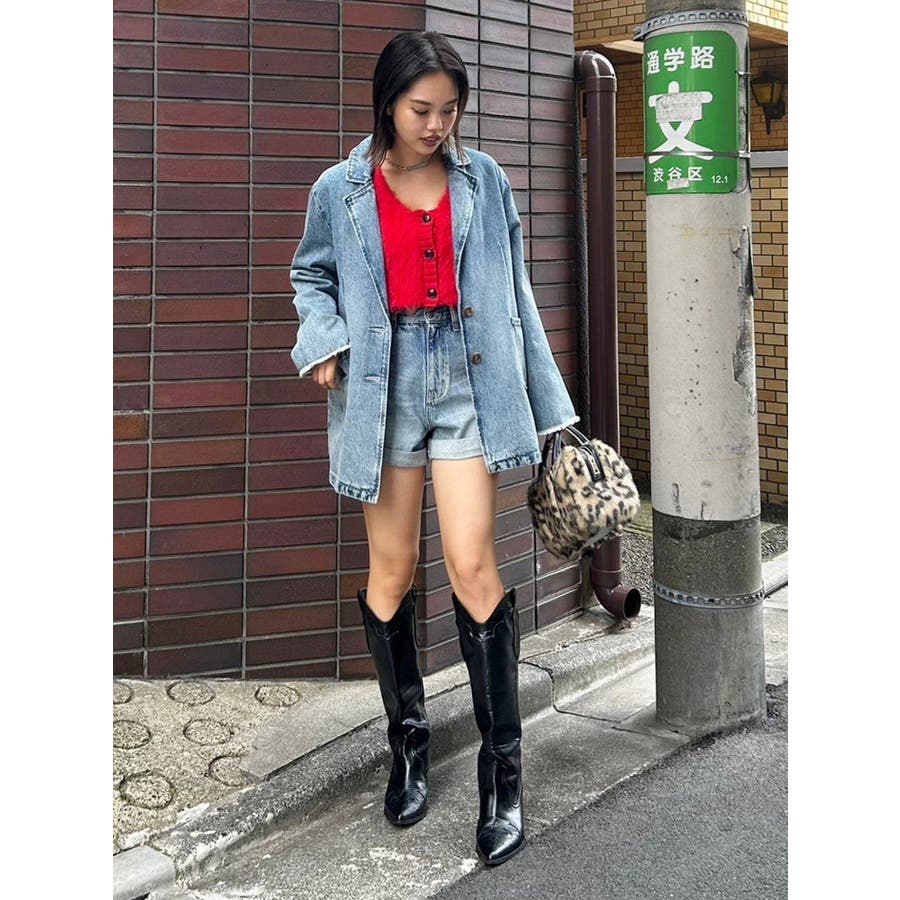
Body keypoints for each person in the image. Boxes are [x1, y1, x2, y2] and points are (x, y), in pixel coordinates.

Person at [289, 30, 579, 867]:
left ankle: (502, 776)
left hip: (469, 378)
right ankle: (409, 746)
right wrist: (325, 341)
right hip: (382, 384)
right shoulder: (339, 189)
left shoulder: (483, 179)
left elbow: (516, 292)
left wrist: (550, 409)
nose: (437, 125)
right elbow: (310, 276)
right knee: (390, 573)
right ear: (388, 104)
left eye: (450, 110)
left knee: (473, 565)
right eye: (422, 109)